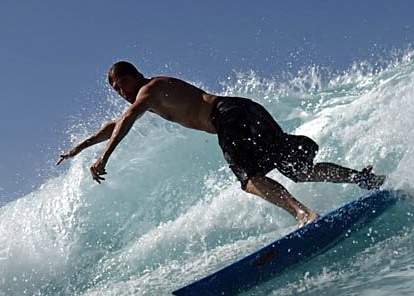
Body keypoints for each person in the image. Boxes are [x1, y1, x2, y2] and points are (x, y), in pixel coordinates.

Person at [56, 61, 385, 227]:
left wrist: (104, 158)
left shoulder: (151, 89)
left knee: (249, 179)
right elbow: (110, 126)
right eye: (115, 89)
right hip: (244, 110)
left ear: (134, 75)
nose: (120, 91)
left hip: (228, 115)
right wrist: (80, 148)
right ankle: (363, 178)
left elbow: (125, 121)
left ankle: (303, 214)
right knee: (299, 170)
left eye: (121, 83)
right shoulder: (149, 97)